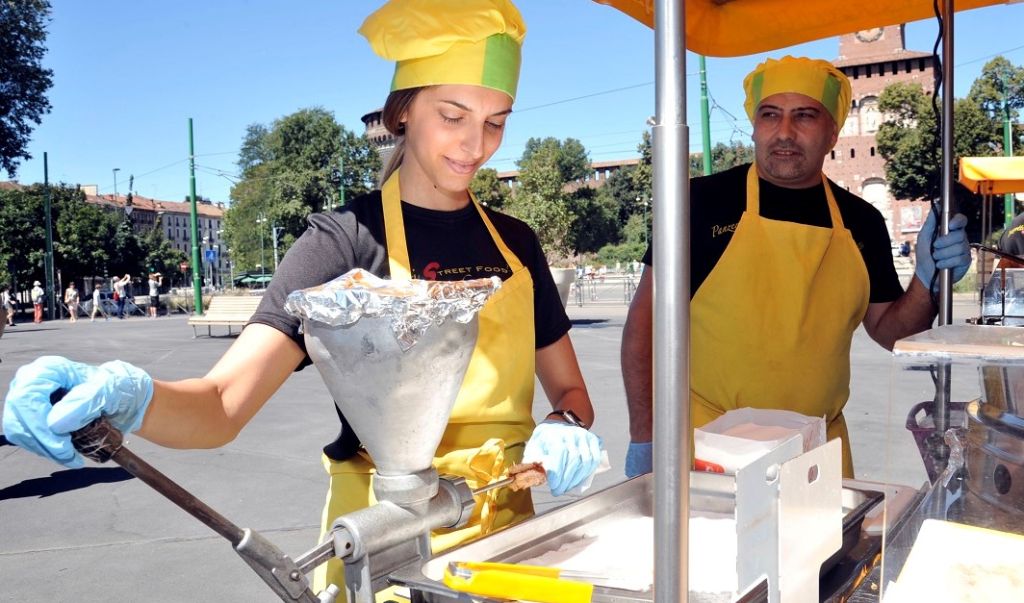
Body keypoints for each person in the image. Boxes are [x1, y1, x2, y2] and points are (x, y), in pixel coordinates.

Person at [3, 1, 602, 599]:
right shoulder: (342, 240)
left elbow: (571, 392)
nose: (476, 145)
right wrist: (130, 395)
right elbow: (221, 405)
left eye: (496, 121)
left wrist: (565, 425)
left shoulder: (516, 242)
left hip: (509, 542)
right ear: (403, 113)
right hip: (388, 550)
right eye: (453, 115)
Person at [620, 56, 972, 479]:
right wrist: (645, 439)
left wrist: (927, 280)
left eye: (804, 116)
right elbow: (645, 325)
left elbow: (892, 332)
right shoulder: (699, 200)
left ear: (832, 134)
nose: (784, 132)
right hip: (708, 449)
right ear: (754, 126)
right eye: (770, 115)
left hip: (817, 454)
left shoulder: (861, 220)